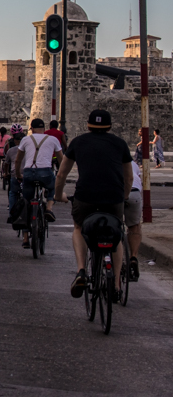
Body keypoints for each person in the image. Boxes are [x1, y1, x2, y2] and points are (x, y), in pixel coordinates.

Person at [55, 109, 132, 300]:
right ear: (110, 126)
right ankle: (115, 285)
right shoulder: (119, 143)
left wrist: (58, 195)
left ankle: (81, 270)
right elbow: (128, 177)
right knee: (116, 234)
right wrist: (123, 197)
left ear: (88, 125)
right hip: (113, 198)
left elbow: (61, 174)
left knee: (79, 227)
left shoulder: (78, 142)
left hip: (85, 196)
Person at [14, 118, 63, 224]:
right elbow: (61, 159)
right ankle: (49, 208)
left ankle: (26, 237)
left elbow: (18, 160)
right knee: (52, 186)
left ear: (32, 129)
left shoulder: (25, 140)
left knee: (27, 201)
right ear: (44, 129)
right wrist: (61, 174)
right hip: (45, 172)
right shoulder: (53, 139)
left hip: (28, 172)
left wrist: (18, 174)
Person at [125, 160, 143, 281]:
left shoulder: (107, 158)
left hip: (117, 192)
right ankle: (133, 257)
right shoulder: (133, 163)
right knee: (135, 226)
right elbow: (138, 178)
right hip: (135, 192)